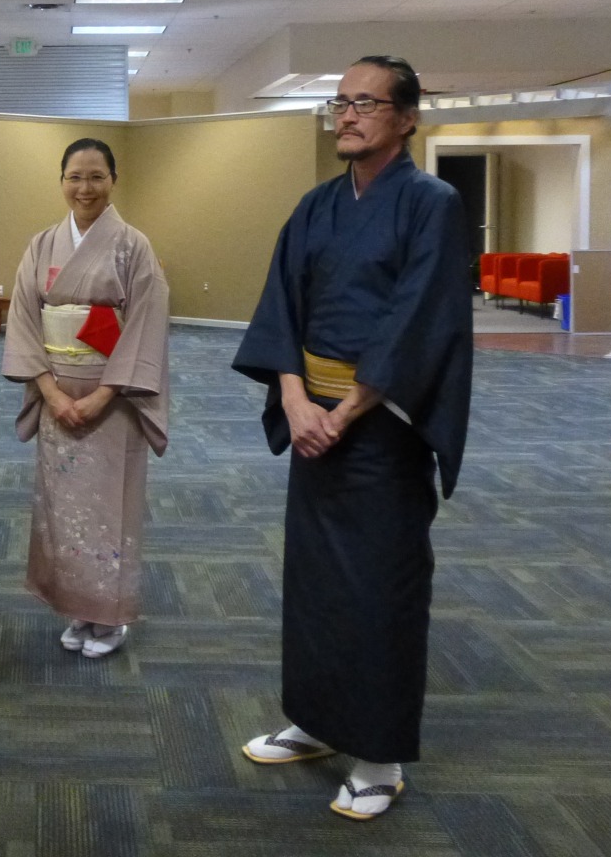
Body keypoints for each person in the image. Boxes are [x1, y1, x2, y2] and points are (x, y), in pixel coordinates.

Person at [232, 55, 472, 821]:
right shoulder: (317, 206)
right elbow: (282, 307)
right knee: (314, 582)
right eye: (340, 102)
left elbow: (420, 318)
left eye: (366, 103)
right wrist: (296, 399)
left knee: (379, 587)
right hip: (313, 420)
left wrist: (345, 412)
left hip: (382, 428)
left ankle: (378, 755)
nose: (347, 114)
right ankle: (314, 719)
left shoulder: (431, 204)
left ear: (407, 117)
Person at [2, 138, 168, 658]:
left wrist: (103, 395)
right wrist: (50, 392)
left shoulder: (133, 246)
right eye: (75, 176)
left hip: (112, 398)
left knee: (108, 505)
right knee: (63, 507)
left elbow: (145, 325)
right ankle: (77, 608)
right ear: (61, 181)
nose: (85, 187)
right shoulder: (42, 245)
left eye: (96, 176)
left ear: (113, 180)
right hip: (57, 393)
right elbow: (24, 319)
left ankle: (110, 617)